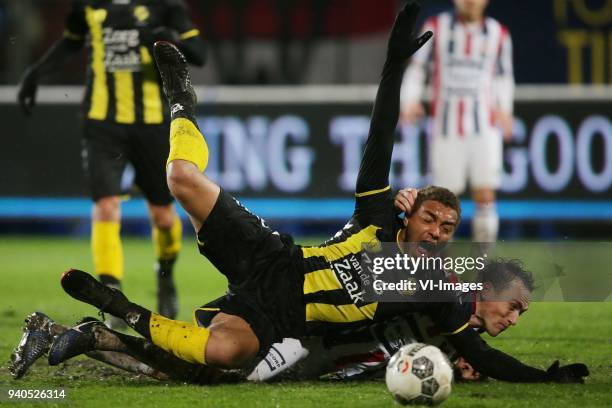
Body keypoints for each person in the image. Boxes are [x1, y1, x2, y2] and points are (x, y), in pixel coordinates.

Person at [27, 2, 586, 384]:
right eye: (433, 221)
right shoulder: (376, 210)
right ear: (410, 211)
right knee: (181, 179)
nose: (438, 235)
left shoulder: (431, 288)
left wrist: (544, 377)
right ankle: (181, 99)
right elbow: (381, 134)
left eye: (447, 231)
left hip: (285, 321)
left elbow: (477, 347)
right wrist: (393, 66)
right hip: (275, 258)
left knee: (222, 357)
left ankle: (114, 310)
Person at [16, 0, 207, 322]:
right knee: (106, 205)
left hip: (152, 125)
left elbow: (199, 53)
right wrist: (37, 71)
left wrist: (167, 39)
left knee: (162, 215)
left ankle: (165, 277)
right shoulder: (88, 6)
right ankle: (111, 293)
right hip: (102, 124)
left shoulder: (164, 6)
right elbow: (71, 41)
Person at [400, 0, 514, 243]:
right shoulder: (436, 26)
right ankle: (442, 271)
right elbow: (417, 67)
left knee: (485, 195)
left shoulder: (498, 34)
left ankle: (484, 265)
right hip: (446, 129)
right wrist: (409, 99)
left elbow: (504, 76)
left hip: (484, 128)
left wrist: (505, 109)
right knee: (442, 202)